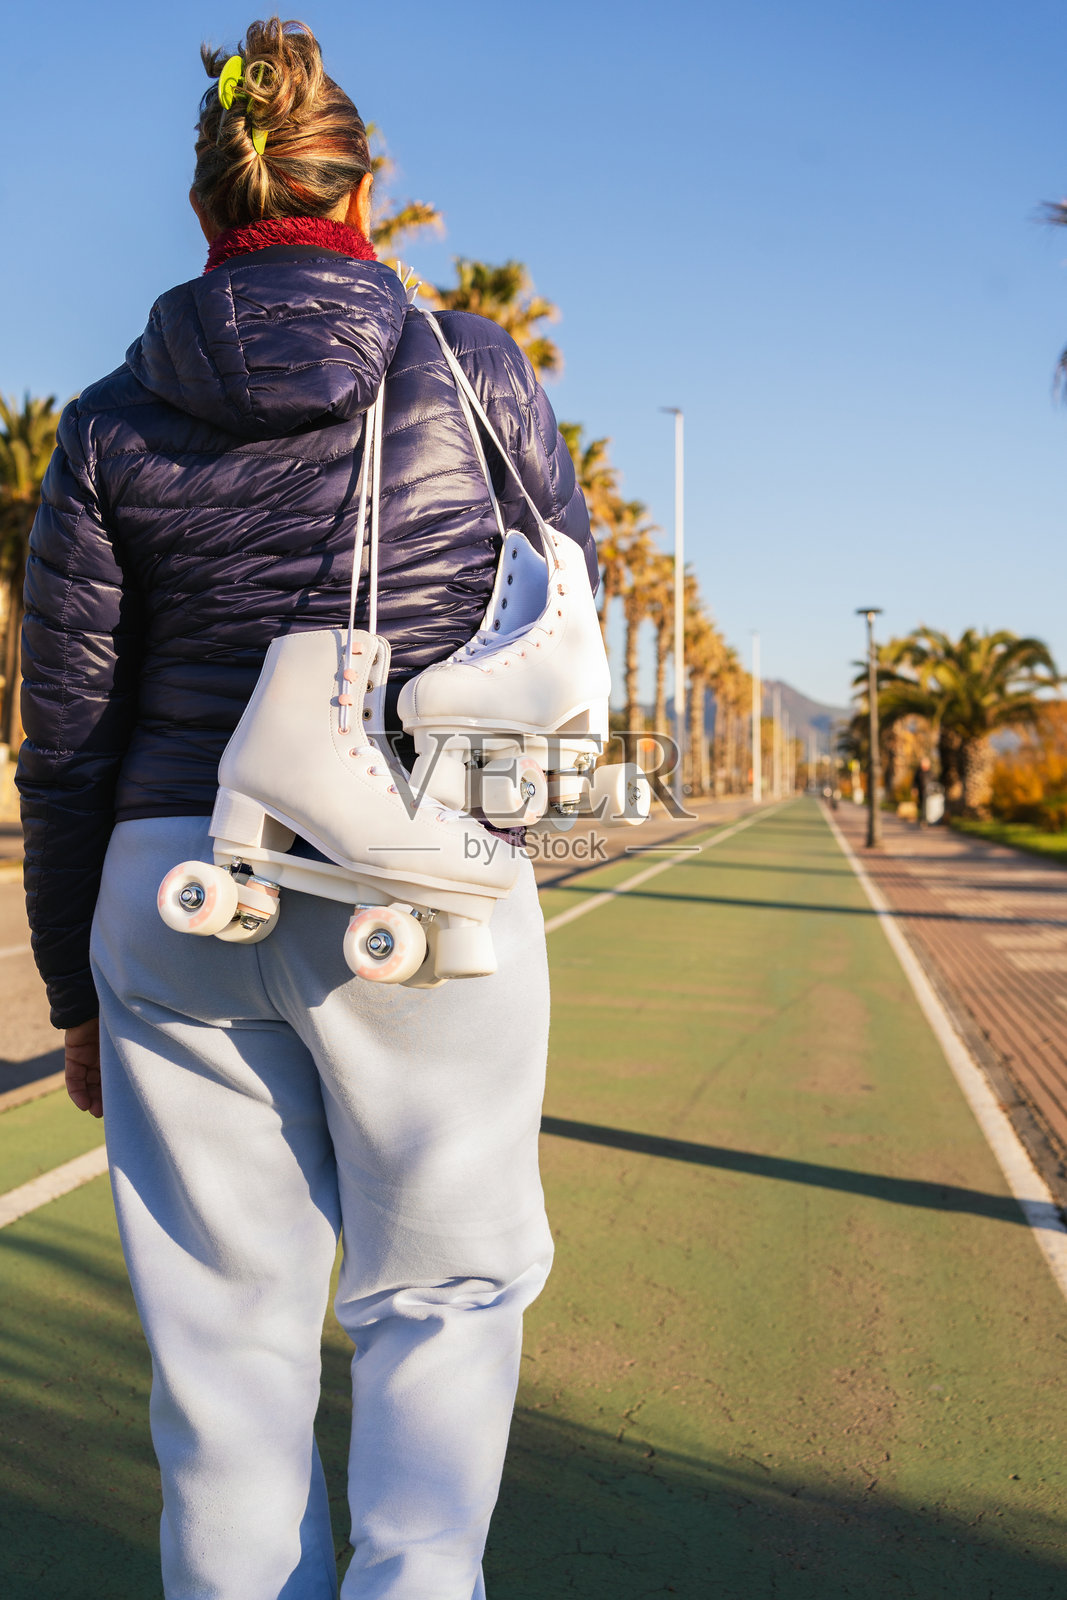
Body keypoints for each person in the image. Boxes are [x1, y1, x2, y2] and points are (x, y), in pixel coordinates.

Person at [17, 19, 594, 1598]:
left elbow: (64, 733)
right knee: (442, 1299)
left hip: (172, 883)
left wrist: (75, 989)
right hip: (421, 878)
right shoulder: (472, 370)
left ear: (211, 212)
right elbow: (549, 606)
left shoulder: (112, 417)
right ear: (361, 196)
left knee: (222, 1356)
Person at [914, 755, 931, 826]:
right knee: (921, 805)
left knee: (928, 806)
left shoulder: (931, 772)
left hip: (929, 792)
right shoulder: (918, 772)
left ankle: (927, 819)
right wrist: (914, 788)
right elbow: (915, 781)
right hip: (921, 791)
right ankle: (922, 819)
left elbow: (935, 782)